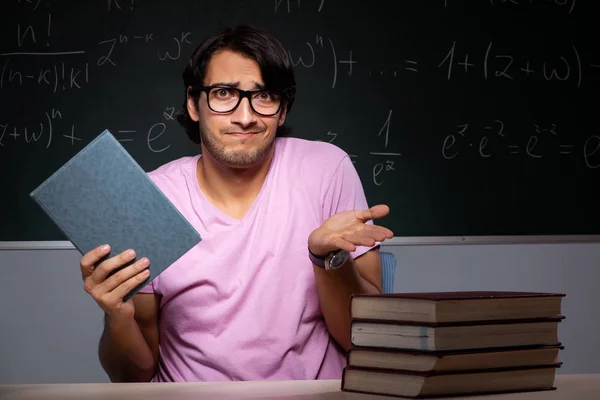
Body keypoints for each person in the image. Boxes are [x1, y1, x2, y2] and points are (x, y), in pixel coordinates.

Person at [79, 24, 393, 383]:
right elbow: (133, 376)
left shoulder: (326, 170)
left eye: (264, 97)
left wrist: (328, 262)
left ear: (282, 110)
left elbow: (364, 339)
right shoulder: (150, 199)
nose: (245, 116)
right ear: (193, 104)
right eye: (224, 93)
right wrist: (116, 313)